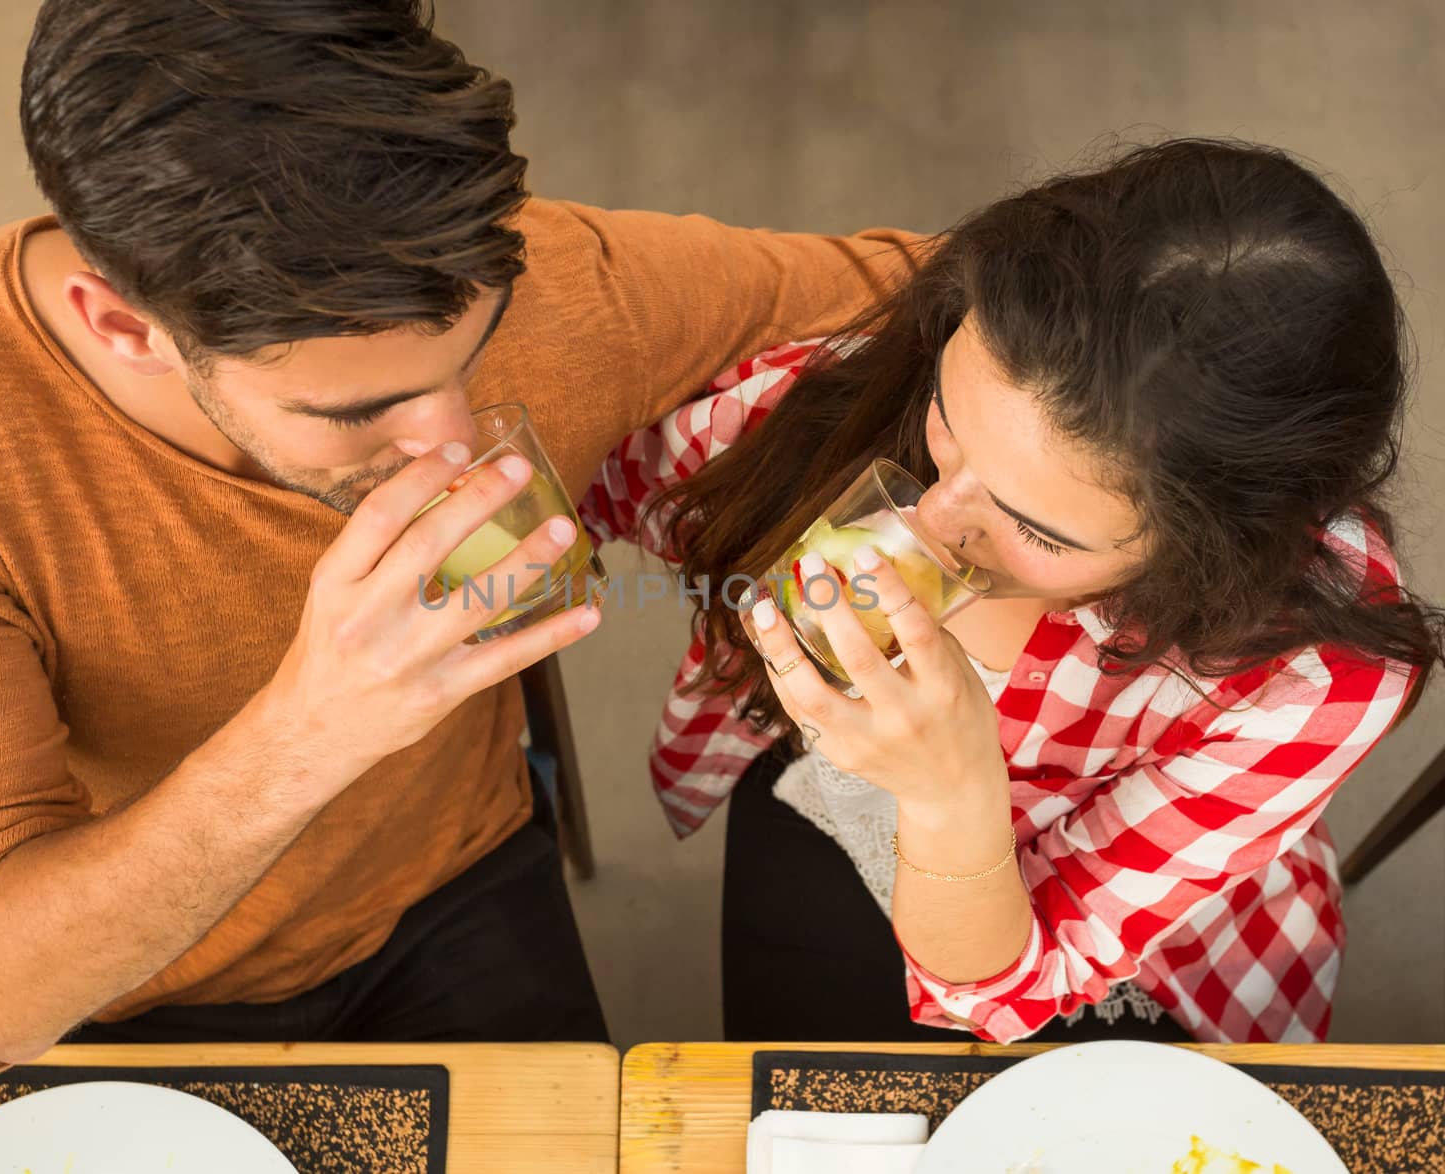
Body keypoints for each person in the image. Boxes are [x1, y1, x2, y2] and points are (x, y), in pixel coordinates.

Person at [0, 0, 918, 1072]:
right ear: (125, 328)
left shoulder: (555, 278)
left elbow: (967, 292)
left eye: (472, 355)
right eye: (354, 411)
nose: (454, 448)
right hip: (119, 985)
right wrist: (312, 732)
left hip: (459, 884)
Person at [580, 138, 1442, 1044]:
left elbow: (1007, 996)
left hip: (1147, 940)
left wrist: (952, 794)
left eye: (1037, 529)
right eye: (948, 418)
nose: (939, 518)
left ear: (1214, 550)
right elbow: (599, 491)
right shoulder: (850, 385)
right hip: (821, 777)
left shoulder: (1313, 667)